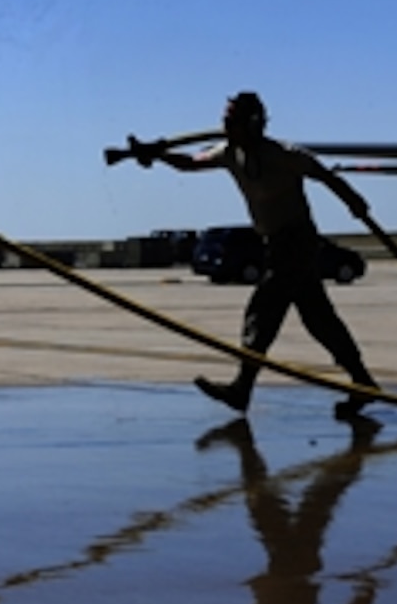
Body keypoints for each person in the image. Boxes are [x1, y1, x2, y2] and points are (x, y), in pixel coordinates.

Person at [127, 91, 380, 417]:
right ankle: (362, 381)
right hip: (273, 244)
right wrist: (158, 154)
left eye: (231, 120)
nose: (225, 125)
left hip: (298, 241)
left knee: (264, 311)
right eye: (225, 120)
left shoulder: (283, 154)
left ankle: (242, 389)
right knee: (318, 318)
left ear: (253, 124)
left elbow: (325, 175)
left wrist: (354, 202)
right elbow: (190, 163)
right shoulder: (230, 153)